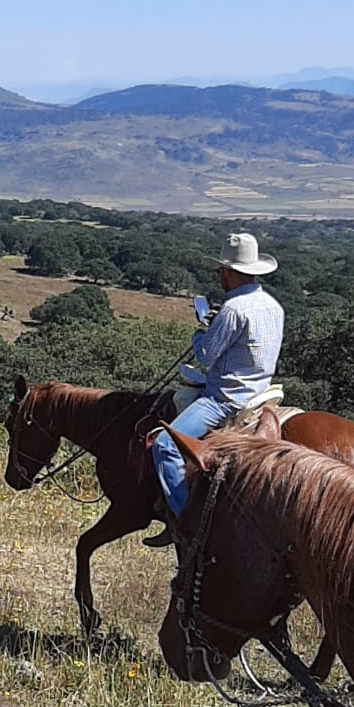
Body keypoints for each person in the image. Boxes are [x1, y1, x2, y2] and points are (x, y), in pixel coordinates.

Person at [144, 231, 284, 547]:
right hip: (261, 392)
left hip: (226, 398)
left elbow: (206, 355)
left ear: (231, 272)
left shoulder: (233, 310)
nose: (220, 276)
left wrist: (201, 331)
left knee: (165, 445)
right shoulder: (273, 305)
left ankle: (187, 524)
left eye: (222, 270)